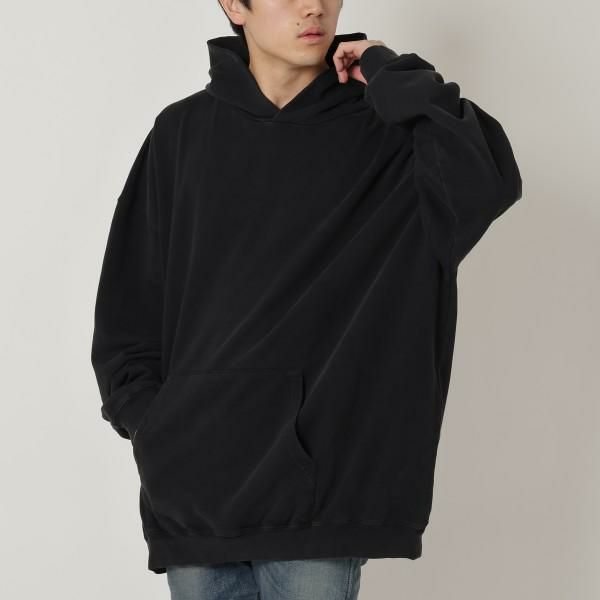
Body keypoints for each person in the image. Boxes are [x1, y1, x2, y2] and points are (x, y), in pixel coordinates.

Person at [90, 0, 522, 598]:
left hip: (324, 499)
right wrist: (154, 427)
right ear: (233, 5)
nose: (312, 6)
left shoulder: (390, 131)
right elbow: (129, 306)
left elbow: (488, 181)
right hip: (193, 497)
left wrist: (391, 73)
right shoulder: (180, 134)